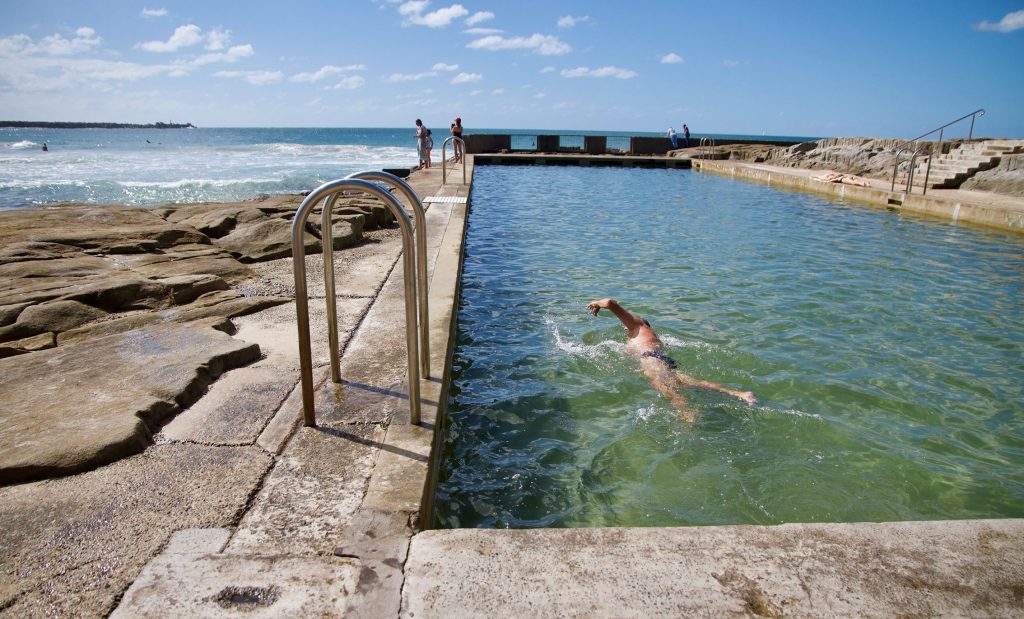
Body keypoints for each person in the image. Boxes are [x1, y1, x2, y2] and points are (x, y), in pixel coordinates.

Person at [586, 298, 756, 421]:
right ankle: (740, 394)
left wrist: (596, 303)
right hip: (661, 359)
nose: (624, 326)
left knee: (663, 386)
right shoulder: (645, 335)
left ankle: (688, 412)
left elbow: (610, 303)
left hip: (652, 360)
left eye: (626, 324)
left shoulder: (637, 325)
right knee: (689, 382)